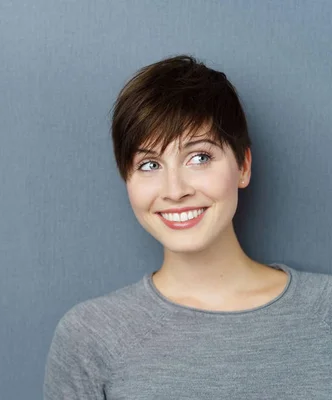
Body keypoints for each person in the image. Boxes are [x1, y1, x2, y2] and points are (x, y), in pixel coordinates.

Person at [43, 55, 332, 399]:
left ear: (243, 166)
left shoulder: (324, 312)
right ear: (127, 179)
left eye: (200, 157)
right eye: (150, 164)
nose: (175, 190)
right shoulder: (90, 337)